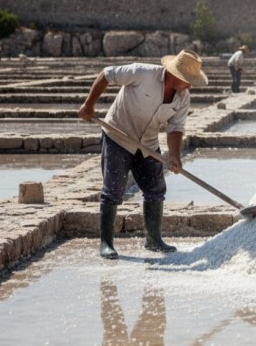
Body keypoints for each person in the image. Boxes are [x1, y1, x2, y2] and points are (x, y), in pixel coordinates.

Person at [78, 50, 208, 259]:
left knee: (155, 188)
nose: (190, 85)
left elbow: (175, 127)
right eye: (187, 81)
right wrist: (89, 104)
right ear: (174, 74)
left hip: (148, 143)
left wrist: (174, 155)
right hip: (117, 136)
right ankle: (106, 243)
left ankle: (153, 240)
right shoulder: (141, 73)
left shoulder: (183, 98)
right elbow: (106, 74)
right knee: (113, 189)